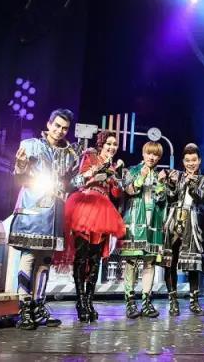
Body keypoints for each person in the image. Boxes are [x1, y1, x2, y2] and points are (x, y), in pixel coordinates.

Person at [9, 108, 80, 330]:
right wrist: (21, 165)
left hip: (55, 211)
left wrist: (85, 178)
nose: (60, 131)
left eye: (65, 128)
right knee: (30, 254)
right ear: (49, 124)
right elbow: (18, 178)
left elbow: (71, 182)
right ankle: (24, 307)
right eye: (57, 125)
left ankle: (39, 305)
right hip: (33, 207)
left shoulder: (71, 154)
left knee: (46, 259)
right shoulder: (30, 145)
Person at [64, 130, 126, 322]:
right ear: (101, 144)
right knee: (81, 255)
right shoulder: (90, 156)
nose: (112, 147)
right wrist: (98, 170)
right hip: (86, 205)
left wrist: (117, 176)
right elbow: (78, 180)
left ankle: (90, 301)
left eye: (115, 144)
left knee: (95, 257)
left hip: (103, 211)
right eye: (109, 144)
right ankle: (80, 301)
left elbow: (116, 194)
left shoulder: (114, 166)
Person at [162, 143, 204, 316]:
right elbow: (169, 197)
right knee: (170, 262)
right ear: (183, 161)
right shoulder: (176, 176)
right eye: (187, 160)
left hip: (192, 223)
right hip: (173, 221)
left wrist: (192, 186)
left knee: (193, 264)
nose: (191, 163)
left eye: (194, 160)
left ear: (199, 160)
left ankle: (194, 302)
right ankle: (173, 301)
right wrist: (170, 184)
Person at [120, 141, 168, 319]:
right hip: (135, 220)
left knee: (149, 262)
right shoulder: (132, 170)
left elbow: (162, 200)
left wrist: (161, 184)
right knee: (131, 260)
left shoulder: (159, 175)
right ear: (143, 153)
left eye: (156, 155)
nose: (152, 157)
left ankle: (147, 301)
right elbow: (129, 190)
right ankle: (130, 301)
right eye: (149, 153)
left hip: (153, 222)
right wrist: (140, 176)